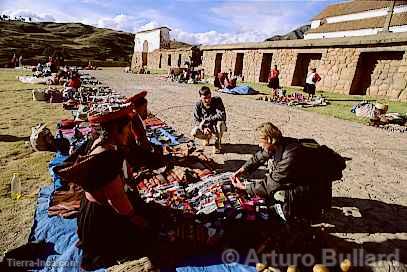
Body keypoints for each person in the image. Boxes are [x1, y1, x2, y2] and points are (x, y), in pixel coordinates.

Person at [56, 107, 157, 269]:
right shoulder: (107, 158)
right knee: (149, 234)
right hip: (99, 223)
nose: (129, 132)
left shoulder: (97, 142)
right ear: (116, 130)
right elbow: (116, 198)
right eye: (127, 128)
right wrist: (136, 219)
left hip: (90, 213)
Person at [230, 122, 344, 222]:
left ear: (269, 139)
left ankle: (308, 210)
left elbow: (271, 184)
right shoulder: (279, 143)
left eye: (260, 141)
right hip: (310, 174)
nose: (259, 145)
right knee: (272, 168)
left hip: (315, 182)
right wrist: (243, 169)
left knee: (279, 194)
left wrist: (246, 187)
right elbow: (260, 156)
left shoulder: (289, 156)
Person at [125, 91, 164, 169]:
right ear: (137, 108)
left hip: (135, 148)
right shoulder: (135, 120)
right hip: (133, 152)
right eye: (144, 107)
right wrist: (151, 150)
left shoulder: (135, 116)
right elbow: (141, 141)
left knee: (159, 148)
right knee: (157, 156)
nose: (146, 110)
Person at [191, 86, 227, 154]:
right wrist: (204, 128)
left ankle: (217, 142)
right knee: (194, 132)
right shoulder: (198, 104)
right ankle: (206, 138)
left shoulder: (217, 100)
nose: (207, 100)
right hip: (206, 128)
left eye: (209, 97)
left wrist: (207, 120)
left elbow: (222, 115)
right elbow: (196, 120)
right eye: (205, 98)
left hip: (215, 127)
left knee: (220, 124)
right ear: (200, 97)